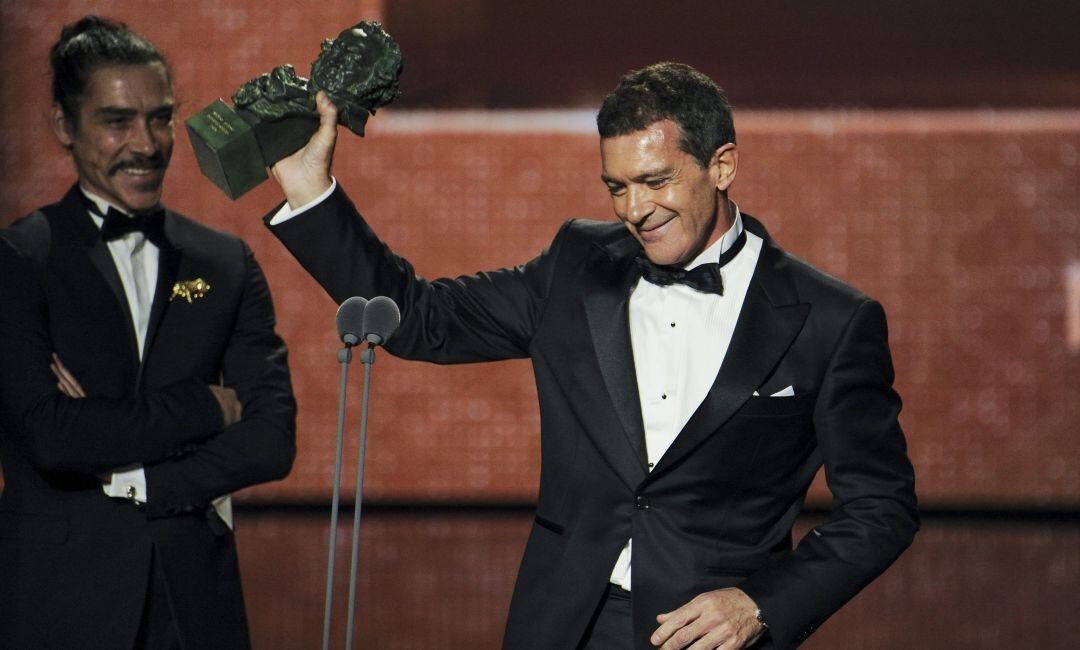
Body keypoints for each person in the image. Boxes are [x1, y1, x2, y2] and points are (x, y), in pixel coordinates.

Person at [265, 63, 918, 649]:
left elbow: (881, 509)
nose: (635, 210)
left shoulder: (831, 320)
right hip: (561, 623)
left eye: (655, 181)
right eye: (617, 187)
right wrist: (310, 192)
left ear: (721, 166)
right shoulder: (576, 266)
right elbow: (421, 320)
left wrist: (760, 604)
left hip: (707, 637)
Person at [0, 16, 296, 649]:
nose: (147, 143)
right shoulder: (20, 261)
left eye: (160, 118)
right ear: (63, 128)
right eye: (117, 122)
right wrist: (204, 407)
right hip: (62, 604)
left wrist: (142, 479)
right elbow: (49, 436)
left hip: (196, 607)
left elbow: (271, 439)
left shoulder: (225, 261)